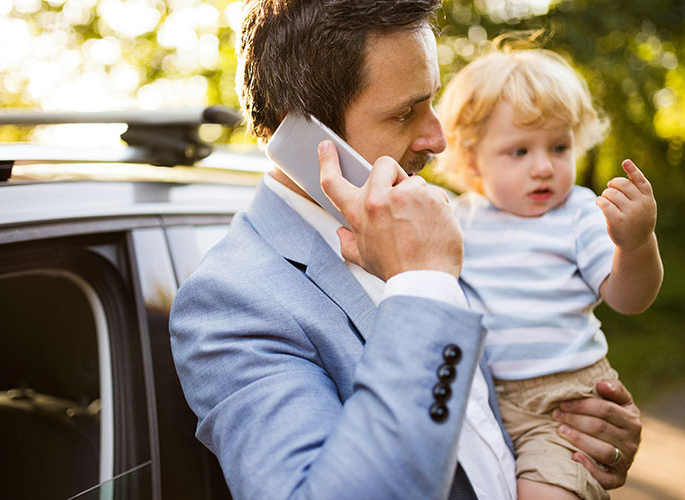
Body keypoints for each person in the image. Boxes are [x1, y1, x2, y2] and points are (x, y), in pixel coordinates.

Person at [170, 2, 643, 499]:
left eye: (432, 103)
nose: (438, 138)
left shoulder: (423, 218)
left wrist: (583, 439)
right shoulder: (231, 304)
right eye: (404, 113)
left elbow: (484, 419)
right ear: (307, 135)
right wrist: (425, 284)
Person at [437, 42, 662, 500]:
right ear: (471, 158)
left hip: (565, 400)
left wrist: (635, 244)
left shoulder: (578, 213)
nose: (543, 167)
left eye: (559, 147)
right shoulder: (457, 220)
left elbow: (629, 296)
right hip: (484, 400)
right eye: (519, 151)